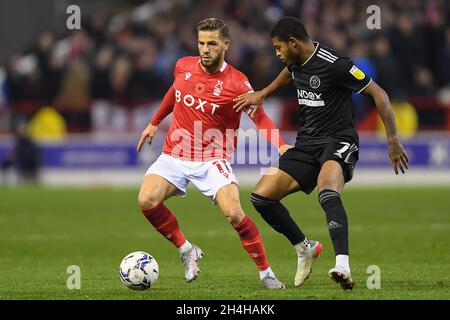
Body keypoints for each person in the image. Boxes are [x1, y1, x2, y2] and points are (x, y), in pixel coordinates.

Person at [233, 17, 409, 290]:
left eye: (279, 48)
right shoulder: (295, 62)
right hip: (306, 144)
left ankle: (342, 265)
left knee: (326, 190)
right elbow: (290, 72)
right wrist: (263, 93)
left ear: (293, 42)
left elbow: (380, 94)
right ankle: (305, 248)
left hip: (339, 140)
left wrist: (393, 140)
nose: (277, 54)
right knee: (261, 197)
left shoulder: (336, 64)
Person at [136, 18, 290, 289]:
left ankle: (266, 273)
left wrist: (280, 145)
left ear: (225, 45)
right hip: (175, 153)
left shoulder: (237, 83)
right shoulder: (183, 66)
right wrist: (155, 122)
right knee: (147, 200)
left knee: (234, 213)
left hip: (213, 159)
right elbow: (175, 92)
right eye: (201, 43)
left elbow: (260, 118)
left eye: (212, 44)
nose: (205, 49)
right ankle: (187, 250)